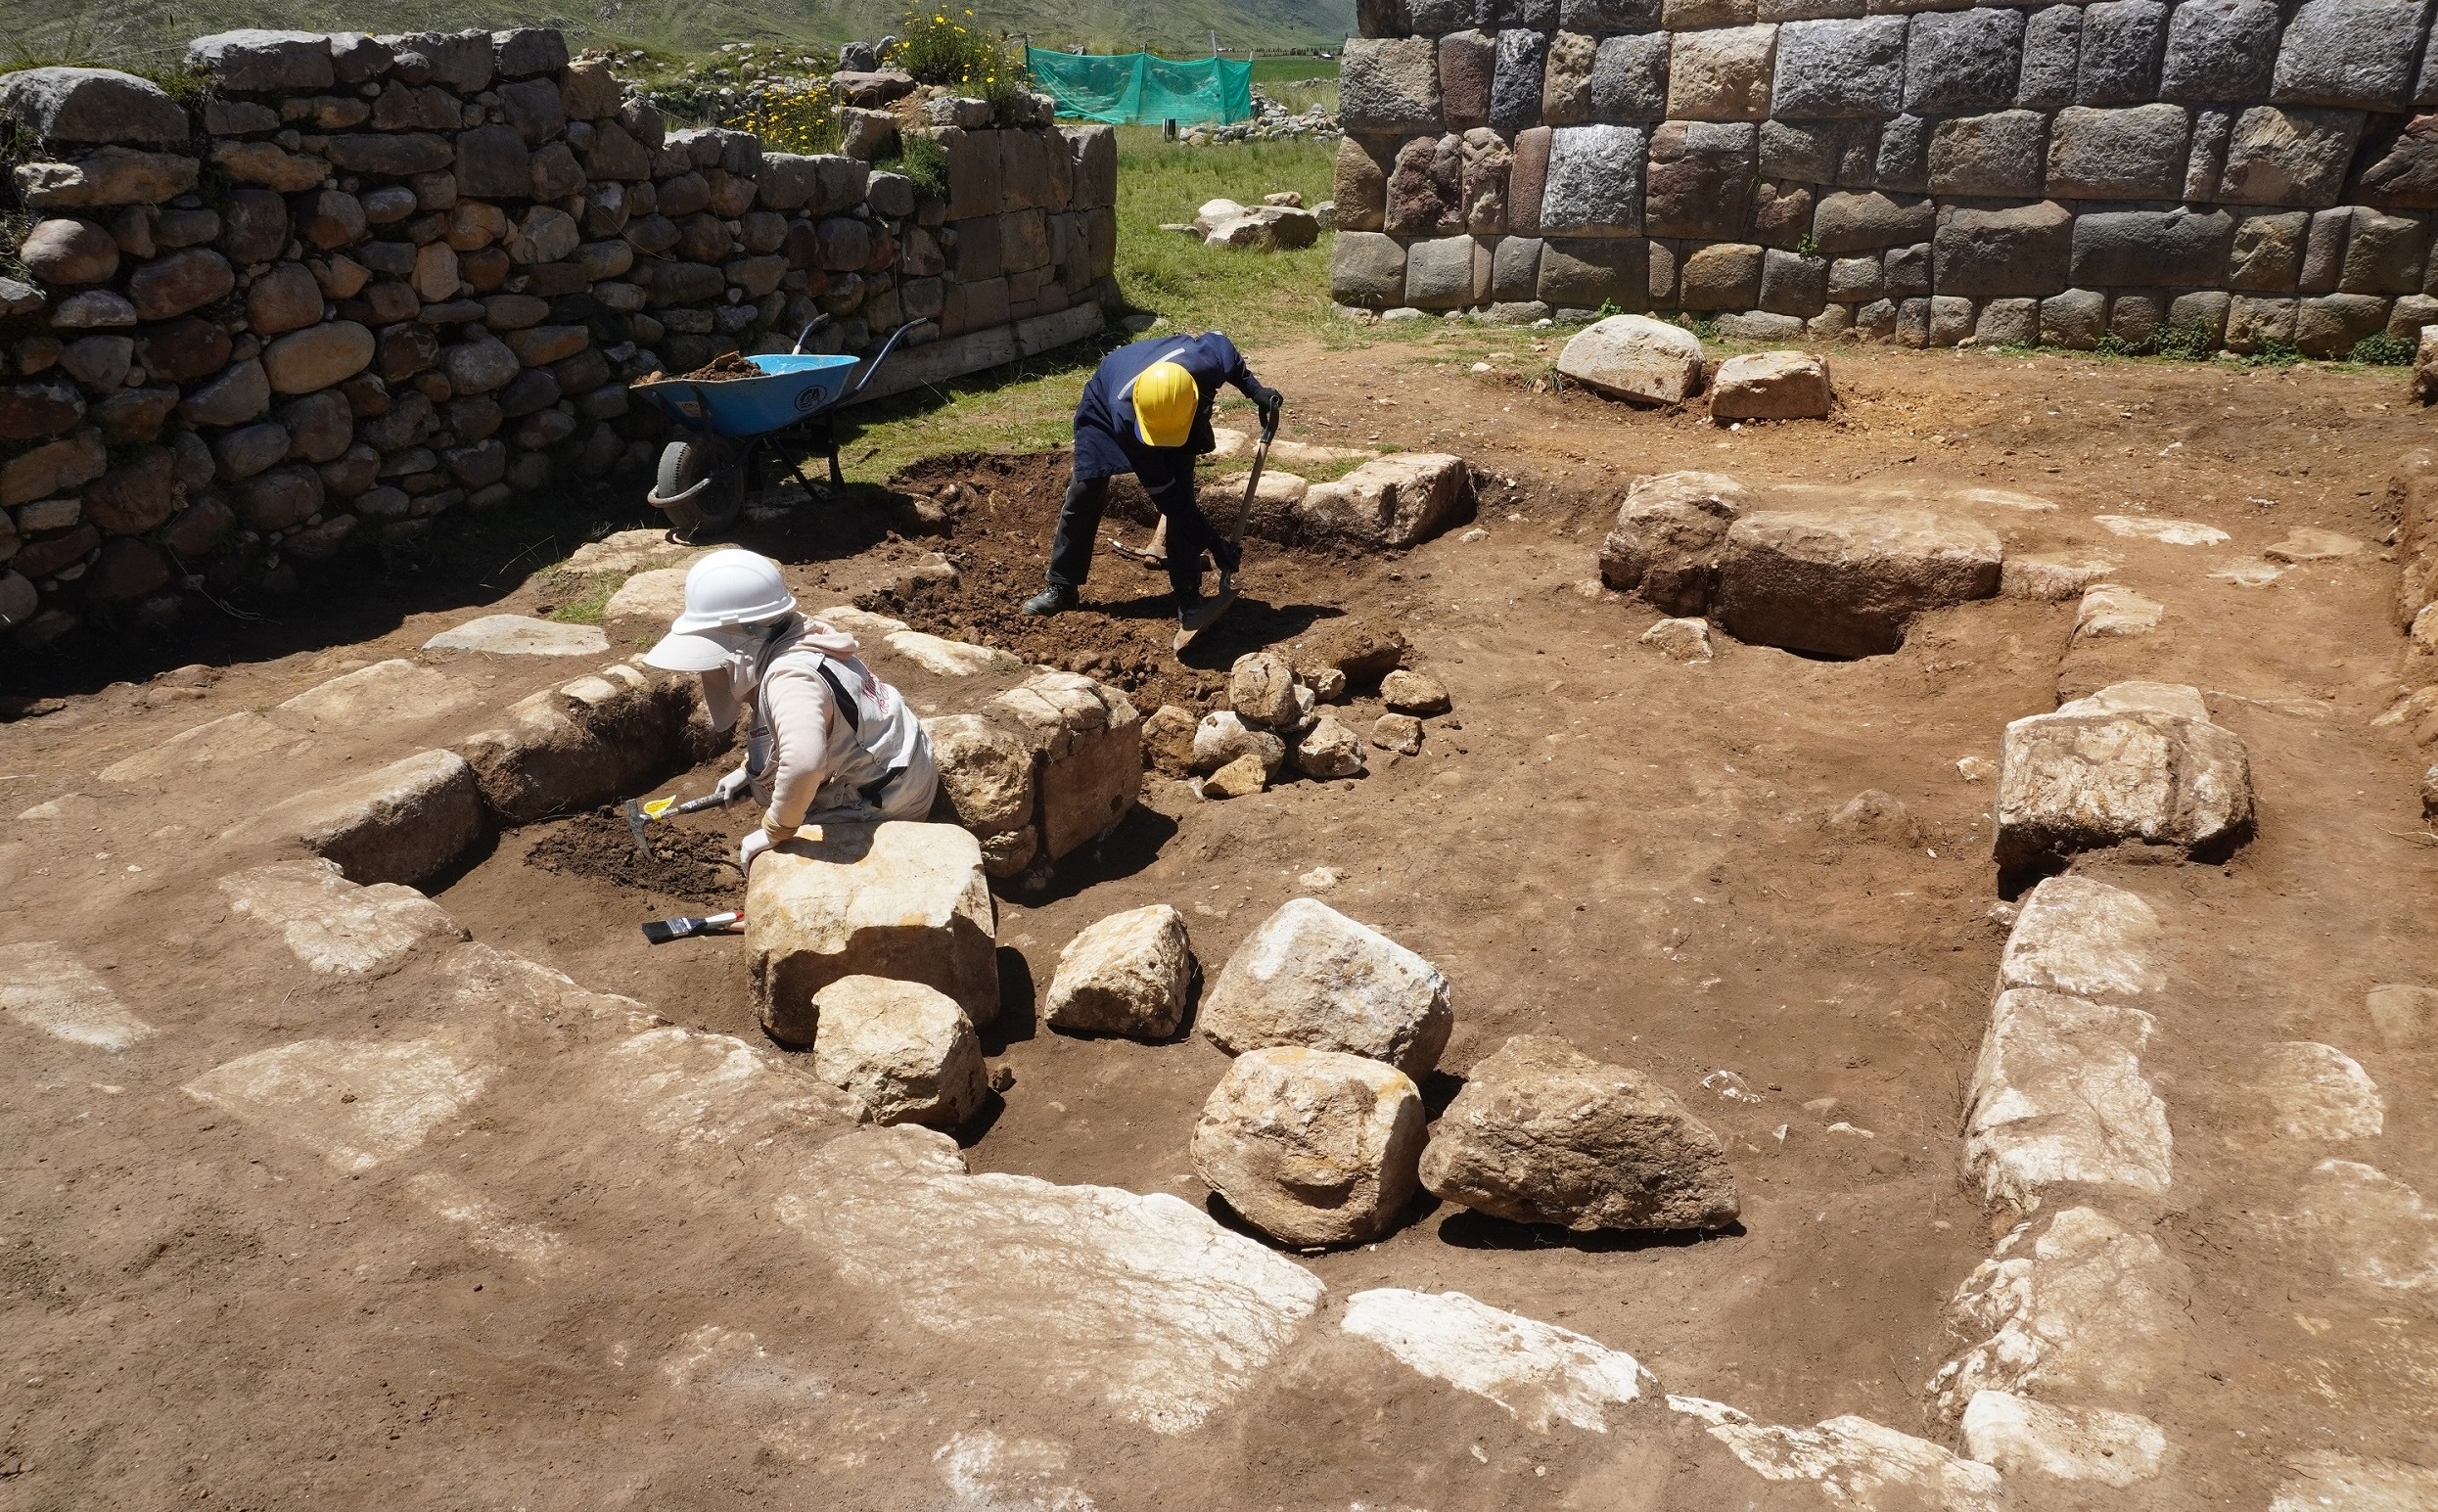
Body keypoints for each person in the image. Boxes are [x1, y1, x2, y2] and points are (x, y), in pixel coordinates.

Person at [641, 549, 937, 877]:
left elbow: (805, 764)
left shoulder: (790, 679)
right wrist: (747, 772)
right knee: (792, 804)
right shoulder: (801, 635)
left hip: (891, 801)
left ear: (747, 638)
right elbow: (817, 726)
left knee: (783, 854)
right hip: (905, 767)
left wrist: (775, 829)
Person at [1022, 330, 1282, 639]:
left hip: (1176, 407)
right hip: (1106, 402)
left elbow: (1226, 348)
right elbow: (1171, 501)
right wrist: (1214, 544)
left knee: (1182, 487)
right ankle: (1061, 586)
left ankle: (1188, 597)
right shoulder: (1124, 417)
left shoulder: (1207, 360)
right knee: (1086, 488)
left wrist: (1256, 391)